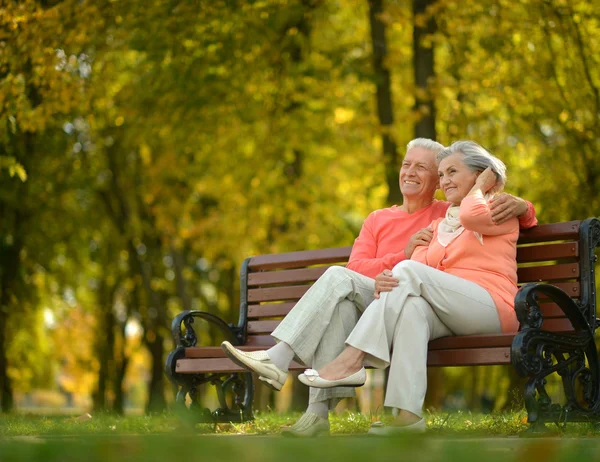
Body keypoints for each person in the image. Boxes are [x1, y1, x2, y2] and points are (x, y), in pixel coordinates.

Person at [222, 138, 536, 437]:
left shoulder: (491, 208)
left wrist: (497, 192)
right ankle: (407, 418)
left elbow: (479, 216)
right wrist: (392, 275)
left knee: (406, 273)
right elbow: (404, 266)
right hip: (429, 304)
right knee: (403, 303)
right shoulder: (439, 223)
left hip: (492, 305)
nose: (443, 180)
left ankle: (349, 360)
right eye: (441, 173)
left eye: (446, 172)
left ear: (480, 174)